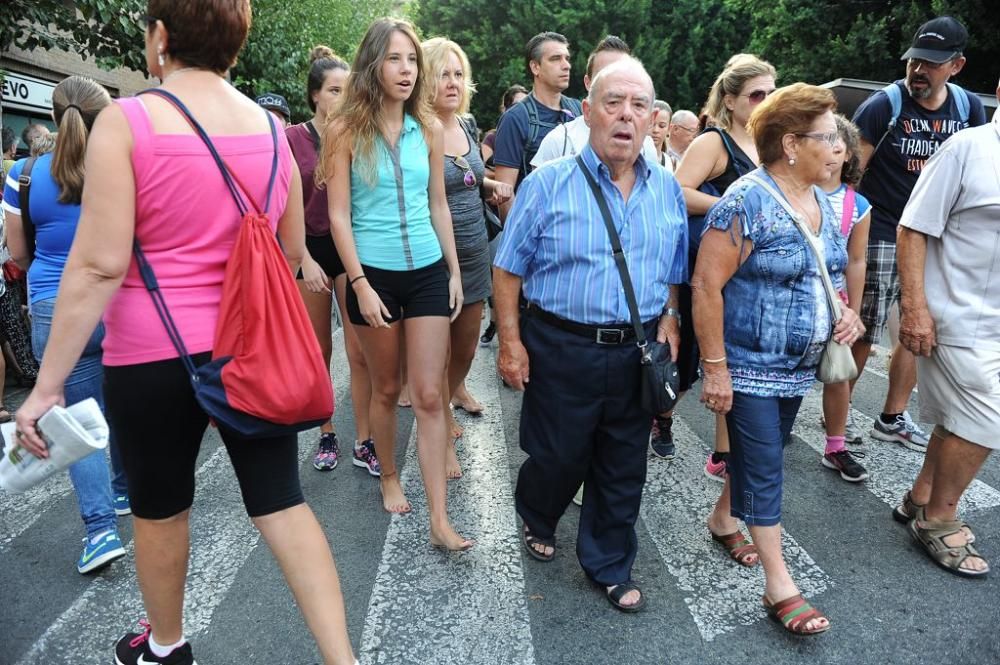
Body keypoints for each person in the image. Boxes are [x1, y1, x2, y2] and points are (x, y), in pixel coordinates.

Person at [13, 4, 357, 663]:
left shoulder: (129, 121)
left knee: (161, 505)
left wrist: (46, 385)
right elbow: (287, 249)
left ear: (161, 37)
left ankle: (166, 645)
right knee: (280, 500)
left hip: (150, 352)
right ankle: (343, 656)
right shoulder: (269, 128)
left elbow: (98, 263)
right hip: (246, 344)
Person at [495, 57, 687, 612]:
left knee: (624, 461)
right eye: (613, 103)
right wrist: (510, 342)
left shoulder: (668, 191)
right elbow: (507, 268)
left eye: (638, 105)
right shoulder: (547, 183)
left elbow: (675, 266)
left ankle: (608, 562)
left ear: (652, 117)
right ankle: (537, 509)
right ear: (588, 113)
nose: (626, 116)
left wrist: (671, 316)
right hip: (560, 345)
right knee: (558, 456)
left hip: (636, 350)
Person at [693, 82, 863, 635]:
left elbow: (830, 272)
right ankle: (780, 584)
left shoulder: (819, 198)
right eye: (827, 136)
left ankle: (724, 518)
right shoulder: (747, 202)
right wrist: (715, 368)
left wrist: (847, 314)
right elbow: (705, 286)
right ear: (791, 143)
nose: (839, 145)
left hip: (796, 369)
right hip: (747, 365)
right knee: (766, 466)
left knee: (761, 453)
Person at [318, 18, 472, 550]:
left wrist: (452, 271)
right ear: (372, 65)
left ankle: (439, 518)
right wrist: (357, 284)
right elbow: (339, 216)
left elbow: (437, 203)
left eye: (412, 60)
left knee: (430, 394)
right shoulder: (344, 130)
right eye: (394, 60)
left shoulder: (427, 128)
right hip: (373, 276)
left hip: (427, 269)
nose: (406, 71)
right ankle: (386, 475)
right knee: (385, 388)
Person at [3, 76, 131, 574]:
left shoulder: (25, 174)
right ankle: (122, 491)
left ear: (55, 117)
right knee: (117, 402)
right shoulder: (122, 168)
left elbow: (18, 253)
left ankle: (100, 532)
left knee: (78, 417)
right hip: (117, 300)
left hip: (57, 305)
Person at [851, 16, 987, 453]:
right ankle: (839, 410)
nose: (918, 71)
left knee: (917, 326)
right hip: (883, 230)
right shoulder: (883, 106)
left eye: (931, 63)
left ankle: (891, 416)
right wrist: (844, 241)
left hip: (937, 239)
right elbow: (849, 176)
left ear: (957, 66)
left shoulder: (968, 109)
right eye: (914, 61)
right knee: (866, 331)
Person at [891, 77, 1000, 578]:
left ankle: (919, 499)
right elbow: (913, 226)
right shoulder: (967, 148)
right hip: (959, 318)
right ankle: (940, 520)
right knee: (986, 420)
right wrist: (914, 308)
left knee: (958, 418)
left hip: (994, 324)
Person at [674, 55, 774, 507]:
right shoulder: (714, 142)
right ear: (730, 100)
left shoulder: (771, 141)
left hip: (757, 273)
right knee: (711, 360)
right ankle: (659, 416)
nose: (765, 101)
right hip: (717, 271)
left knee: (738, 362)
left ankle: (724, 451)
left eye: (772, 93)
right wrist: (732, 210)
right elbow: (678, 191)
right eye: (757, 94)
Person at [422, 37, 513, 478]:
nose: (454, 82)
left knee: (467, 343)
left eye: (459, 73)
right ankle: (442, 428)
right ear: (425, 77)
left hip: (475, 249)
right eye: (443, 73)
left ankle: (455, 388)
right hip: (432, 256)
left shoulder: (468, 124)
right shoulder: (416, 128)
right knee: (435, 350)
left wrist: (491, 186)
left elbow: (468, 177)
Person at [285, 46, 379, 475]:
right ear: (315, 95)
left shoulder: (360, 134)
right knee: (318, 347)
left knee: (358, 348)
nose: (343, 97)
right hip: (310, 250)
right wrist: (303, 256)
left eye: (348, 89)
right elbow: (281, 207)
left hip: (351, 248)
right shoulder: (291, 138)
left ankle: (364, 439)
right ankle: (326, 432)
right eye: (334, 90)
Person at [818, 115, 871, 483]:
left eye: (839, 146)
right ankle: (736, 448)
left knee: (838, 372)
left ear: (850, 156)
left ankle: (836, 446)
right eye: (824, 143)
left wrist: (853, 308)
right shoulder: (789, 190)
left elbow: (856, 259)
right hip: (789, 297)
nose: (832, 153)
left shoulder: (858, 204)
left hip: (833, 300)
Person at [530, 35, 661, 170]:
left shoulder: (646, 146)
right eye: (605, 74)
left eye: (622, 73)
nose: (615, 81)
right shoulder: (559, 141)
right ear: (588, 83)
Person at [492, 31, 581, 204]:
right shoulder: (515, 118)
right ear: (535, 67)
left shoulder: (579, 110)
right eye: (556, 58)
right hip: (537, 224)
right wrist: (518, 231)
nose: (566, 65)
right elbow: (505, 194)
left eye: (567, 58)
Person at [480, 83, 527, 348]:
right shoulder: (493, 136)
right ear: (505, 108)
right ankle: (497, 321)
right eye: (516, 105)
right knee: (501, 267)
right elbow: (480, 169)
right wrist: (505, 176)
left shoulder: (533, 133)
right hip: (497, 210)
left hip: (523, 204)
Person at [481, 84, 528, 172]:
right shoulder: (493, 138)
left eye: (526, 106)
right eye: (517, 106)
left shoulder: (531, 140)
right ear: (506, 109)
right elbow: (478, 171)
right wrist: (500, 175)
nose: (522, 110)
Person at [649, 99, 672, 168]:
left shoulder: (669, 162)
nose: (656, 130)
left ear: (669, 129)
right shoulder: (633, 158)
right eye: (651, 124)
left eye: (662, 126)